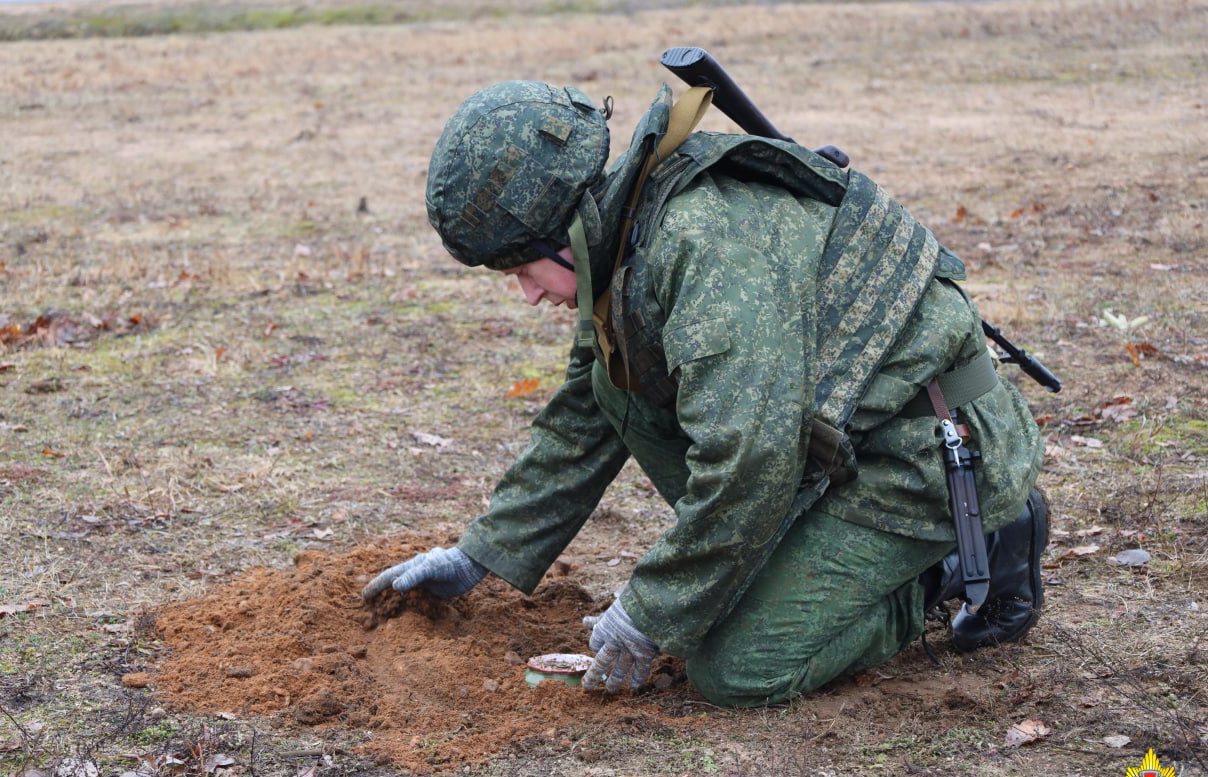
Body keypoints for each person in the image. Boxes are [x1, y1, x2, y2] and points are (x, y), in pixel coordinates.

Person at [361, 79, 1047, 707]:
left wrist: (651, 610)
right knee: (615, 384)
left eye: (524, 268)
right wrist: (480, 553)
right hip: (842, 435)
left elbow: (750, 459)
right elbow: (582, 416)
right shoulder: (622, 238)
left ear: (566, 232)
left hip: (926, 450)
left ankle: (960, 555)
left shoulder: (700, 247)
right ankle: (813, 565)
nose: (529, 292)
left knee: (736, 667)